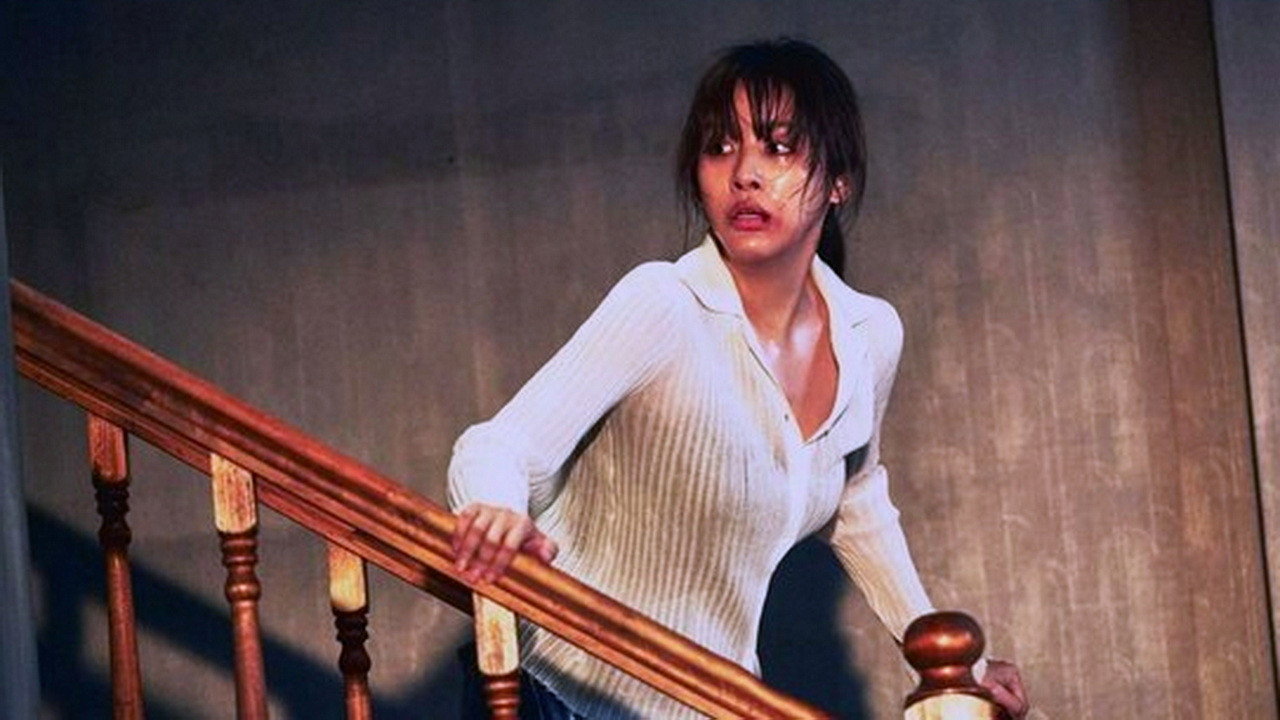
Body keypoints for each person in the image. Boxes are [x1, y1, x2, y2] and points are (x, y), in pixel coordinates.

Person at [448, 38, 1028, 719]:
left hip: (711, 701)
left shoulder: (870, 334)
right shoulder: (664, 303)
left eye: (779, 148)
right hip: (556, 693)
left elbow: (855, 498)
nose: (745, 174)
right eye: (720, 147)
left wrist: (957, 670)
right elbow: (499, 445)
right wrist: (495, 509)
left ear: (838, 181)